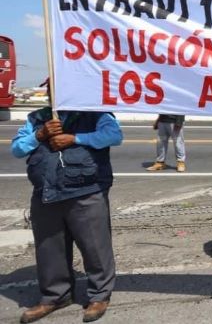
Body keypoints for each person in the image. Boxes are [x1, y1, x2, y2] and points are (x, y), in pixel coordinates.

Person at [11, 80, 123, 323]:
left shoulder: (95, 114)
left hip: (86, 191)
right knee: (49, 249)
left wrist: (74, 138)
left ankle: (99, 295)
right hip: (46, 193)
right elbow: (18, 148)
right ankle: (55, 296)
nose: (55, 92)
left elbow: (114, 135)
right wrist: (39, 135)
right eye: (51, 89)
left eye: (60, 86)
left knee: (95, 247)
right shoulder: (36, 118)